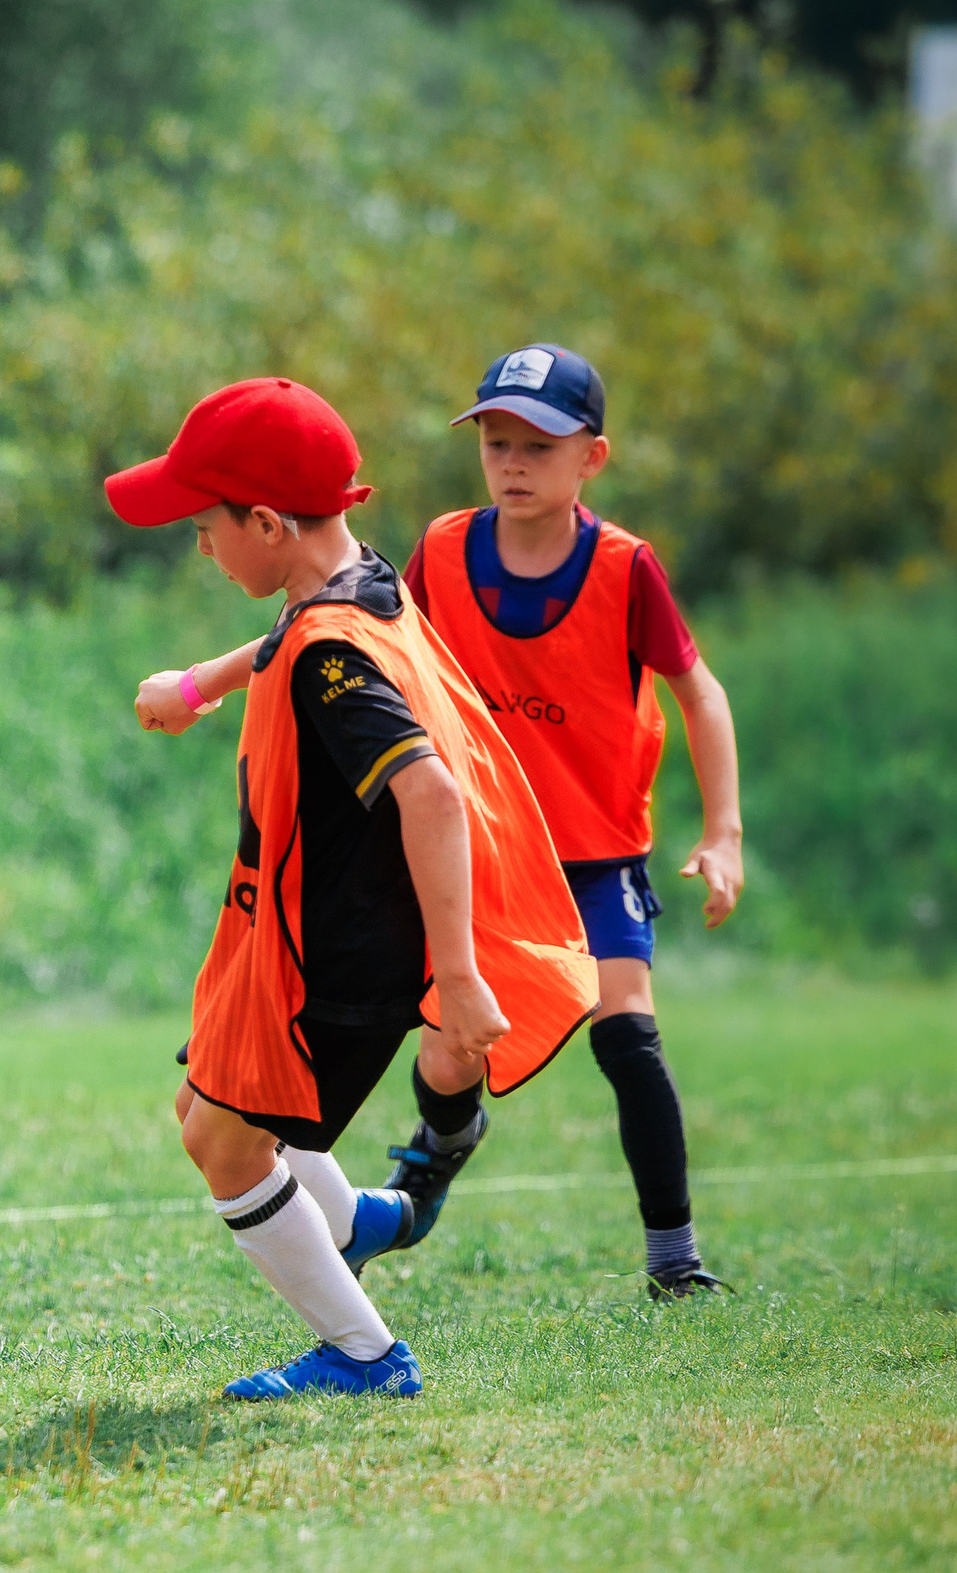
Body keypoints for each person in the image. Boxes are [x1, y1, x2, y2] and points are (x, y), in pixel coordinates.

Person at [135, 345, 740, 1298]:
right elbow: (330, 629)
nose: (513, 461)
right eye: (497, 440)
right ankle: (439, 1149)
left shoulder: (625, 569)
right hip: (481, 850)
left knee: (626, 1035)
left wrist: (725, 832)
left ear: (593, 456)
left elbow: (698, 694)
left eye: (539, 444)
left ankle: (675, 1256)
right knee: (451, 1055)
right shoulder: (445, 551)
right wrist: (202, 682)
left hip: (591, 852)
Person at [105, 377, 597, 1399]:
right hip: (288, 928)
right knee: (206, 1100)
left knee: (227, 1145)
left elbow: (431, 795)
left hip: (343, 953)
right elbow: (294, 633)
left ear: (271, 523)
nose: (201, 544)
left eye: (208, 524)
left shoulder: (335, 652)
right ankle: (364, 1220)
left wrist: (457, 981)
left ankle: (365, 1356)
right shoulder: (354, 581)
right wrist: (199, 686)